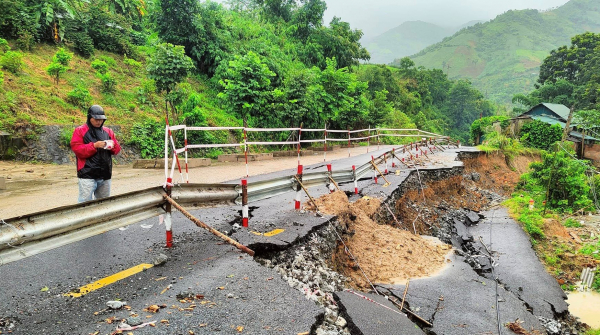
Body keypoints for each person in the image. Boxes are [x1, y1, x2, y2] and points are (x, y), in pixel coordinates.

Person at [71, 105, 121, 202]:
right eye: (96, 119)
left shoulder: (108, 131)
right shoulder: (80, 131)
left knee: (104, 203)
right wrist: (94, 146)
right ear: (90, 118)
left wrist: (113, 145)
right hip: (87, 174)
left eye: (101, 119)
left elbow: (117, 150)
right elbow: (77, 149)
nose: (99, 121)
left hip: (105, 174)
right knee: (84, 203)